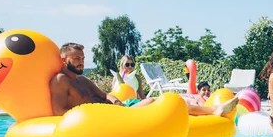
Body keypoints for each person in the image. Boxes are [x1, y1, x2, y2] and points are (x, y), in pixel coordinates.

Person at [50, 43, 238, 117]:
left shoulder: (83, 80)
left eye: (82, 58)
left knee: (164, 101)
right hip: (102, 118)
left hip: (117, 110)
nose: (81, 62)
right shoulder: (60, 80)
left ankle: (210, 111)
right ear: (63, 60)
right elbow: (59, 111)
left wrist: (115, 101)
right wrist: (93, 114)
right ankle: (212, 110)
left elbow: (105, 94)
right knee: (160, 102)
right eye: (76, 59)